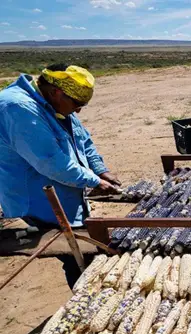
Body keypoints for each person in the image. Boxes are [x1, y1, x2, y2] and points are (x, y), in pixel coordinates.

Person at [0, 63, 120, 227]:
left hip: (65, 203)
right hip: (36, 212)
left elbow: (82, 138)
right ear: (56, 92)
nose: (78, 111)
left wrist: (100, 169)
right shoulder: (19, 108)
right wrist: (95, 181)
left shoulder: (54, 103)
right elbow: (50, 161)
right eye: (77, 104)